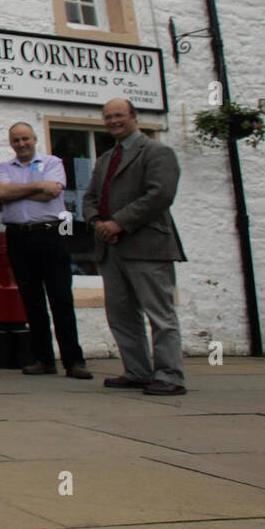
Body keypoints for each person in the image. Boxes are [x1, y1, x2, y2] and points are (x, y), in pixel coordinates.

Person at [82, 98, 187, 396]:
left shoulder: (158, 152)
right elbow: (89, 199)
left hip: (147, 246)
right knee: (121, 315)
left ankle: (170, 376)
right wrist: (97, 223)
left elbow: (160, 195)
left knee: (160, 315)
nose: (113, 121)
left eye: (118, 115)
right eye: (107, 117)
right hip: (110, 249)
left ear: (134, 117)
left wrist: (118, 223)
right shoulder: (104, 159)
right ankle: (138, 372)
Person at [0, 121, 91, 379]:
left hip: (50, 234)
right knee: (31, 300)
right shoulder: (4, 168)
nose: (21, 144)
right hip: (18, 236)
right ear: (10, 143)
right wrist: (37, 186)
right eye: (16, 140)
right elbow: (2, 193)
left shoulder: (52, 163)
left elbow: (53, 191)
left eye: (25, 138)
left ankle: (74, 361)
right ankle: (43, 359)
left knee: (61, 299)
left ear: (35, 139)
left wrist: (19, 193)